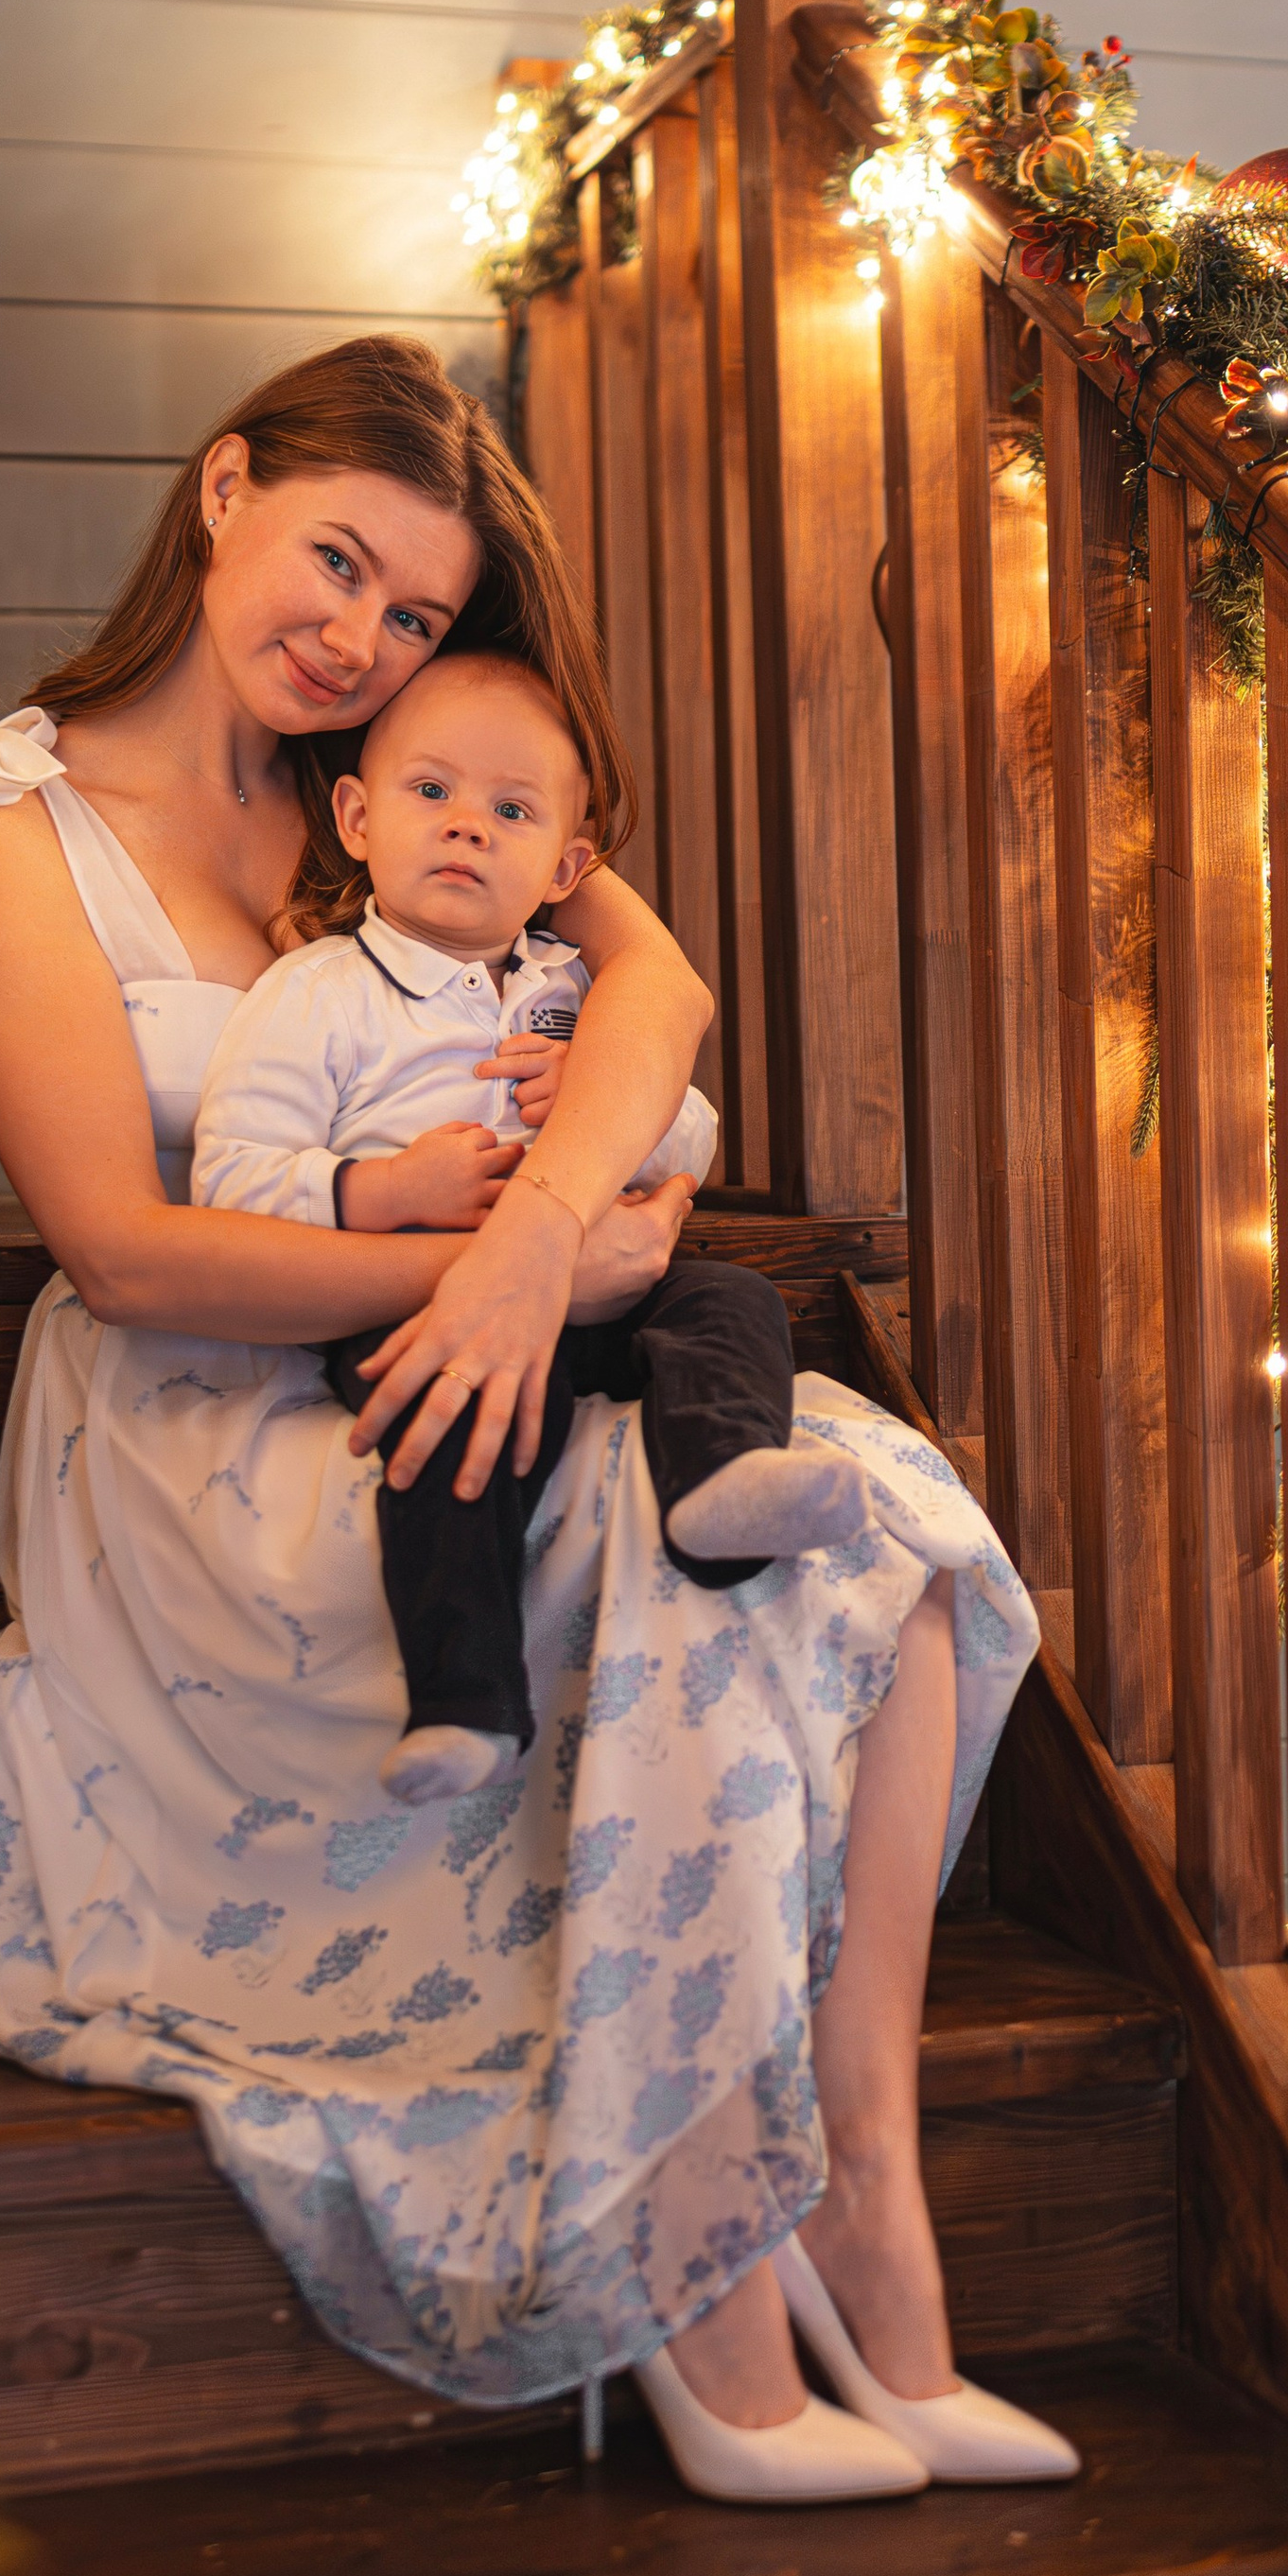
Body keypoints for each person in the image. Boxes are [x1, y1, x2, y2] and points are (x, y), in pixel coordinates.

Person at [0, 334, 1068, 2501]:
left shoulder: (400, 769)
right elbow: (124, 1250)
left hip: (461, 1338)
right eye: (335, 561)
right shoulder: (19, 819)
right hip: (198, 1431)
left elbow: (650, 990)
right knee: (664, 1567)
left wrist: (542, 1231)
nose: (356, 634)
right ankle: (696, 2278)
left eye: (407, 610)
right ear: (222, 490)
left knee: (868, 1507)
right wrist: (497, 1274)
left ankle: (855, 2153)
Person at [192, 647, 876, 1809]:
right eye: (430, 793)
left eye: (509, 810)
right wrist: (379, 1192)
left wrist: (617, 1120)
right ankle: (463, 1698)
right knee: (471, 1417)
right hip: (416, 1298)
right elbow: (232, 1179)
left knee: (731, 1300)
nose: (466, 828)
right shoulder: (317, 996)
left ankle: (721, 1486)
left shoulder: (577, 991)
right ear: (355, 817)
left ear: (565, 866)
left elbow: (691, 1136)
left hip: (592, 1287)